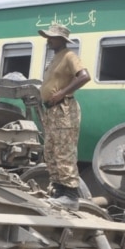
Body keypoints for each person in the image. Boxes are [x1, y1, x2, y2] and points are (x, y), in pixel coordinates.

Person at [39, 24, 90, 210]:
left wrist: (62, 93)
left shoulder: (69, 56)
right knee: (51, 151)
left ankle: (71, 196)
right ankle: (60, 193)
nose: (48, 40)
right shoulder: (54, 59)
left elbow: (84, 76)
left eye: (52, 37)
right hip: (52, 112)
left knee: (64, 152)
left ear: (62, 39)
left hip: (63, 111)